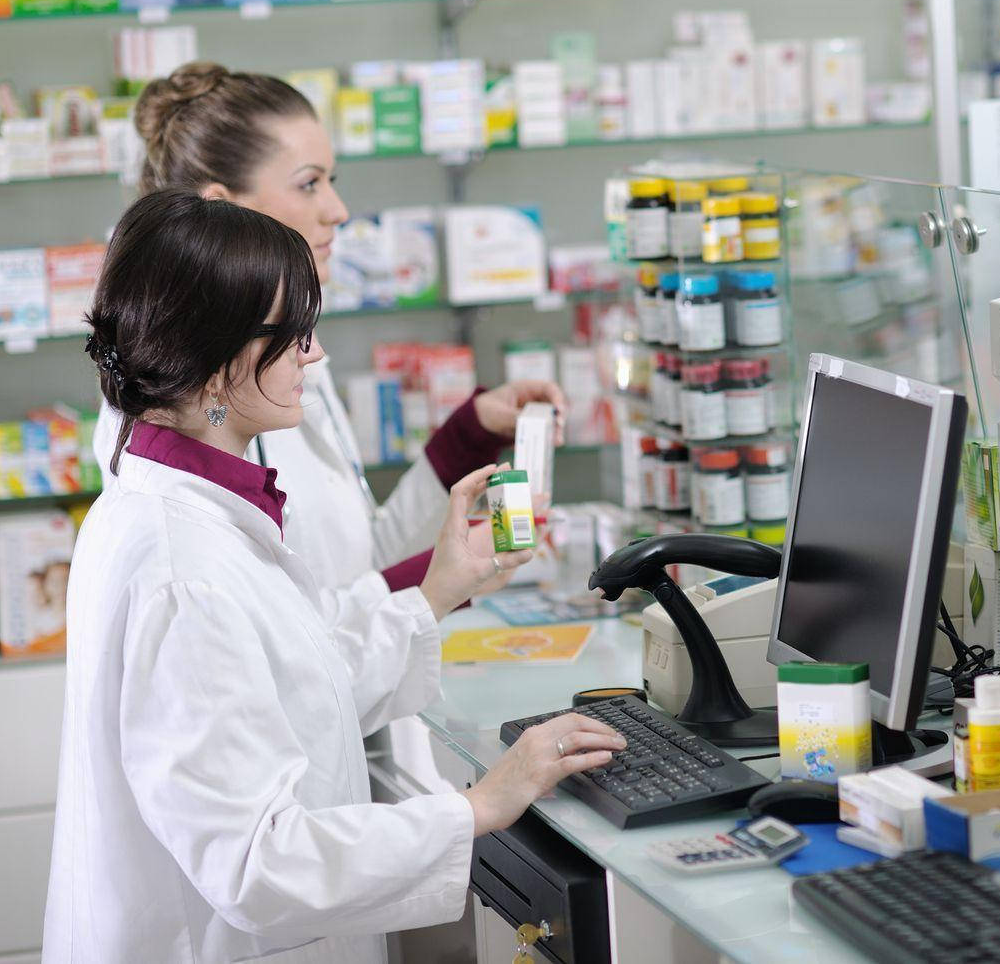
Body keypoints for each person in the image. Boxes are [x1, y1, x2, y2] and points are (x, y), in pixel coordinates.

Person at [45, 189, 625, 963]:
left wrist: (441, 584)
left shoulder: (187, 503)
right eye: (295, 334)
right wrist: (480, 804)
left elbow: (302, 674)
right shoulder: (182, 570)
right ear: (219, 368)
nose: (313, 353)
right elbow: (257, 861)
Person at [93, 60, 564, 591]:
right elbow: (298, 625)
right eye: (309, 184)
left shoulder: (285, 354)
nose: (338, 210)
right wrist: (450, 577)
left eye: (330, 181)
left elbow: (361, 559)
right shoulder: (194, 401)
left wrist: (469, 434)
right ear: (223, 208)